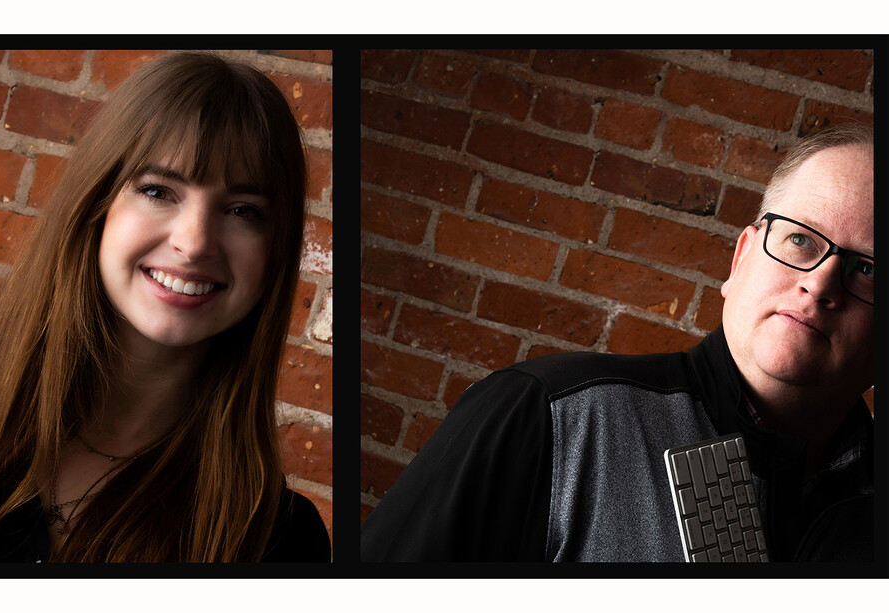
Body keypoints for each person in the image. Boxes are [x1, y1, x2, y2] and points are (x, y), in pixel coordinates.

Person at [0, 52, 330, 563]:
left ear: (276, 249)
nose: (195, 242)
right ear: (96, 204)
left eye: (243, 210)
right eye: (158, 190)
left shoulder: (281, 542)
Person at [360, 123, 874, 562]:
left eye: (869, 270)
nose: (821, 283)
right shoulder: (547, 416)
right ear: (740, 260)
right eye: (800, 239)